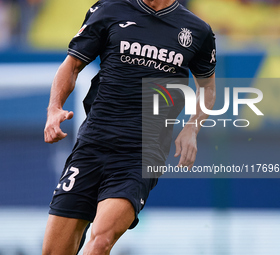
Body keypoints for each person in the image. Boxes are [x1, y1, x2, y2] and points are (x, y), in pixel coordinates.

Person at [42, 0, 217, 254]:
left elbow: (208, 89)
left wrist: (192, 127)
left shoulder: (197, 30)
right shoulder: (109, 9)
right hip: (93, 143)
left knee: (100, 241)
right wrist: (54, 108)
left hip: (141, 153)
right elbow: (72, 65)